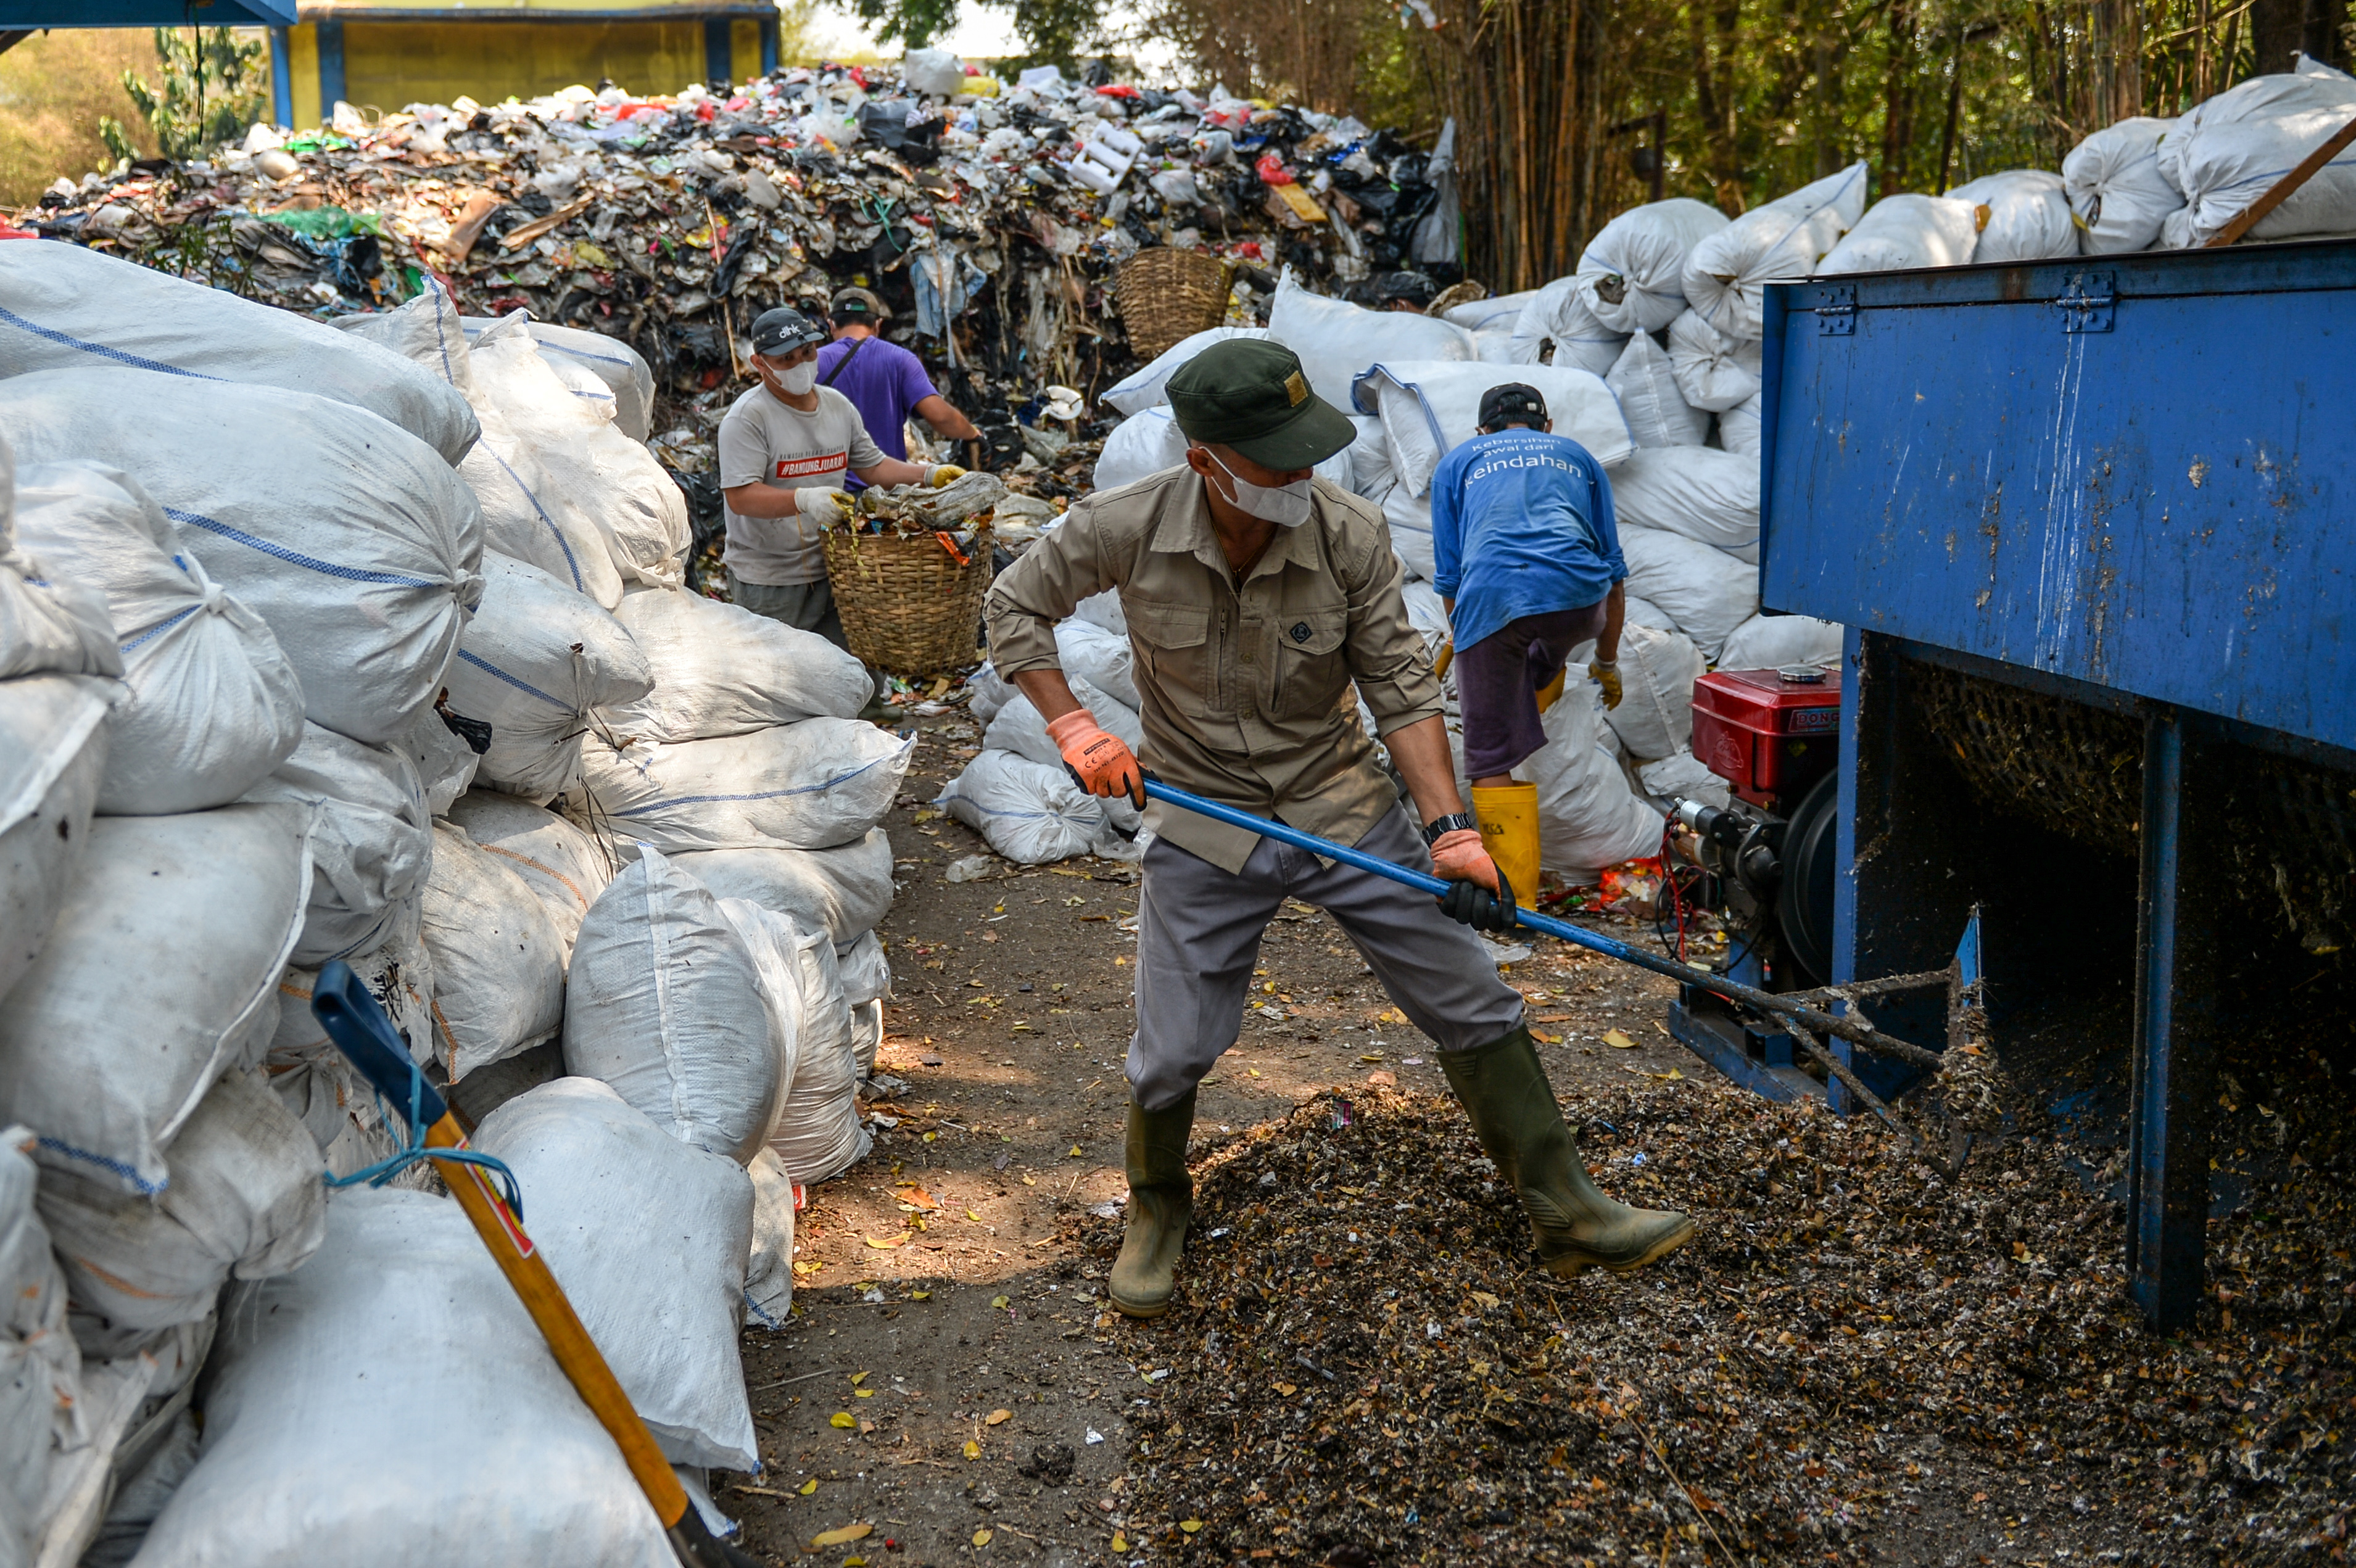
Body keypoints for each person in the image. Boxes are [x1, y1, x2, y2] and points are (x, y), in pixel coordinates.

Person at [983, 340, 1690, 1321]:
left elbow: (1401, 691)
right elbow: (1014, 603)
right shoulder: (1124, 526)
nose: (1301, 479)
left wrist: (1448, 829)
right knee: (1172, 1048)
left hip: (1336, 801)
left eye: (1309, 455)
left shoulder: (1347, 531)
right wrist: (1072, 723)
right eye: (1278, 463)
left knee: (1470, 996)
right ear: (1206, 461)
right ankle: (1155, 1209)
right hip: (1203, 812)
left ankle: (1565, 1208)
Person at [1429, 382, 1628, 901]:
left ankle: (1511, 902)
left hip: (1497, 594)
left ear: (1482, 431)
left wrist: (1466, 640)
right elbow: (1614, 571)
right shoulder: (1577, 456)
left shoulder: (1457, 461)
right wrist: (1607, 662)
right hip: (1582, 604)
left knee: (1489, 752)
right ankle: (1542, 674)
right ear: (1547, 427)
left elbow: (1451, 578)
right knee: (1538, 644)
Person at [717, 307, 965, 695]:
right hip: (770, 577)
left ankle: (866, 735)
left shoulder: (836, 406)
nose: (800, 365)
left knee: (851, 675)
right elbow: (740, 497)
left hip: (834, 567)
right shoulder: (749, 418)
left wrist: (929, 475)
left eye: (808, 353)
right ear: (759, 364)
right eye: (786, 359)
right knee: (778, 685)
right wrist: (804, 499)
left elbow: (873, 467)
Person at [815, 286, 983, 479]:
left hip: (827, 493)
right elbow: (941, 417)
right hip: (885, 490)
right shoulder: (900, 360)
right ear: (878, 324)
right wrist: (972, 434)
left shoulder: (812, 364)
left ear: (831, 325)